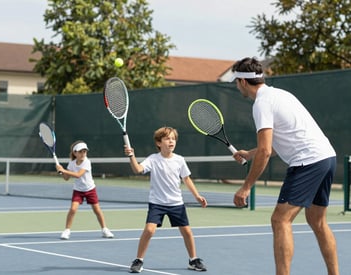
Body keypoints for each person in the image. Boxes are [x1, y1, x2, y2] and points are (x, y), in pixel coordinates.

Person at [229, 57, 339, 275]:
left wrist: (246, 187)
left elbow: (266, 151)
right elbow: (282, 141)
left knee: (280, 220)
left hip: (308, 162)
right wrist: (250, 154)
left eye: (236, 82)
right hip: (327, 157)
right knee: (317, 221)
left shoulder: (261, 103)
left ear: (242, 81)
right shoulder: (281, 95)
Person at [124, 126, 207, 273]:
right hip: (157, 203)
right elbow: (138, 169)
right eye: (167, 138)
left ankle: (193, 260)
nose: (171, 141)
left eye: (173, 139)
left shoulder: (180, 160)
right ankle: (138, 260)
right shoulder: (153, 159)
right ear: (158, 142)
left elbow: (186, 179)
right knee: (149, 231)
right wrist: (131, 156)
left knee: (187, 232)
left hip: (176, 203)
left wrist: (197, 196)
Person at [56, 140, 114, 240]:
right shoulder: (72, 163)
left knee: (97, 210)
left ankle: (105, 229)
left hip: (90, 189)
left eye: (85, 151)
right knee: (73, 209)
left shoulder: (87, 162)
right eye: (80, 152)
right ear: (75, 153)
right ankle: (67, 231)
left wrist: (64, 170)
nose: (83, 154)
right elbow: (66, 178)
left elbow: (78, 175)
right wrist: (60, 171)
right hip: (78, 190)